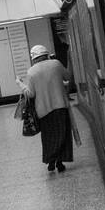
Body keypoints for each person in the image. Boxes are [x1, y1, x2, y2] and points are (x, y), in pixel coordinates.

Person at [21, 45, 73, 173]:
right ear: (47, 54)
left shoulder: (32, 71)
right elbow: (67, 77)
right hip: (60, 106)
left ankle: (50, 161)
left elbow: (31, 94)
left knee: (48, 136)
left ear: (33, 58)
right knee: (62, 134)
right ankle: (60, 163)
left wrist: (19, 83)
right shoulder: (56, 64)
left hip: (43, 110)